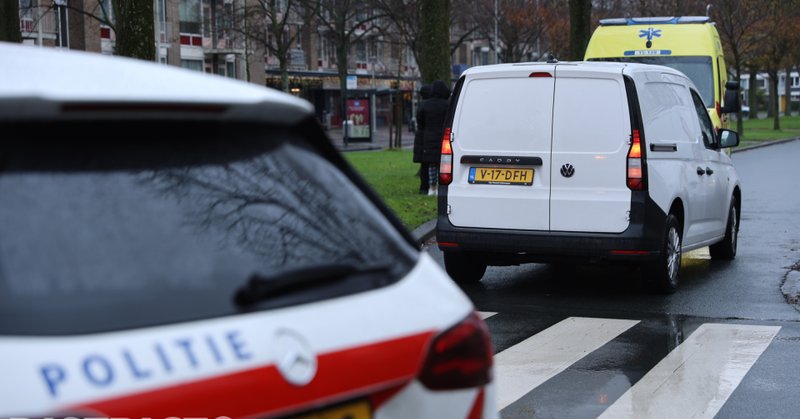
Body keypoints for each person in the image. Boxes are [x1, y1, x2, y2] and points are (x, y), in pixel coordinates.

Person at [417, 80, 451, 196]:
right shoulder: (447, 105)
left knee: (431, 164)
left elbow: (420, 121)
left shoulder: (425, 105)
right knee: (443, 164)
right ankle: (442, 186)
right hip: (444, 137)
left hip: (429, 138)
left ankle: (431, 187)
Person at [413, 84, 432, 194]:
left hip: (422, 138)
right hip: (430, 138)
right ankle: (431, 186)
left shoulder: (421, 106)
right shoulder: (428, 106)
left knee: (424, 164)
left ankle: (424, 188)